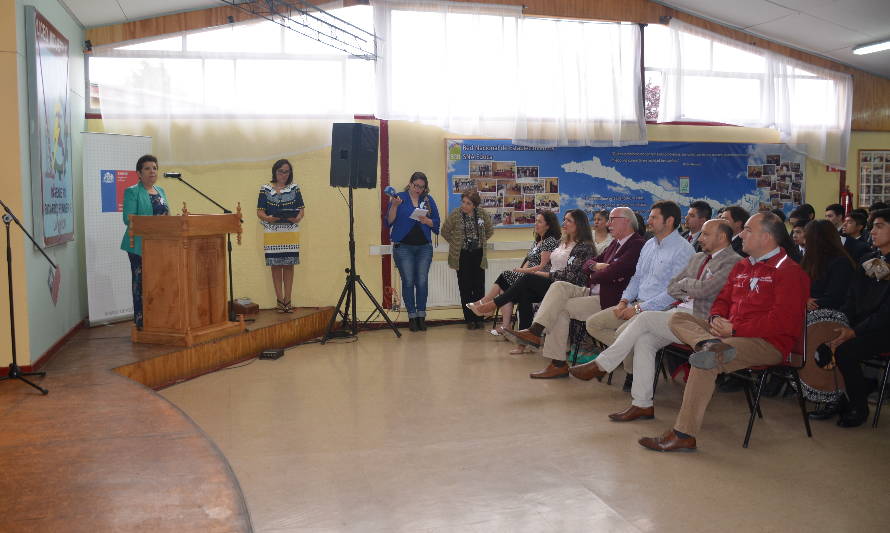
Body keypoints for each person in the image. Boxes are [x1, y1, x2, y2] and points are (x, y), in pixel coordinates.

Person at [639, 213, 809, 452]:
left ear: (766, 237)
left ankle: (684, 434)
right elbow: (722, 299)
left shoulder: (790, 272)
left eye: (748, 230)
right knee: (678, 317)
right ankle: (709, 342)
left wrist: (736, 328)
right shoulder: (743, 265)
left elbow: (782, 322)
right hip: (727, 333)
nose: (741, 235)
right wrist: (716, 317)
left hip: (765, 342)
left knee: (705, 360)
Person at [568, 219, 741, 420]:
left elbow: (706, 289)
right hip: (677, 313)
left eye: (706, 234)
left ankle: (602, 365)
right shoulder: (698, 257)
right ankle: (642, 404)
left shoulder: (733, 261)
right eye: (701, 234)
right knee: (644, 341)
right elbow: (672, 287)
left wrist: (684, 285)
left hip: (700, 320)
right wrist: (686, 285)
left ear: (722, 237)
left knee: (645, 318)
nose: (700, 238)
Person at [499, 207, 644, 378]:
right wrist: (596, 267)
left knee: (558, 304)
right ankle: (543, 343)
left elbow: (613, 272)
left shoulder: (637, 244)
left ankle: (552, 355)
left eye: (612, 219)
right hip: (594, 292)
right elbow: (588, 265)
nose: (608, 223)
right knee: (559, 288)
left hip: (611, 299)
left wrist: (595, 271)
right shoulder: (615, 244)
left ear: (626, 221)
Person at [584, 201, 695, 389]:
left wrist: (638, 309)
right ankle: (632, 366)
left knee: (623, 333)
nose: (648, 221)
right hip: (635, 303)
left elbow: (673, 294)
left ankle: (624, 370)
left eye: (654, 217)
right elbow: (636, 278)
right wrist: (624, 301)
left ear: (669, 221)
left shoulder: (683, 250)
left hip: (662, 310)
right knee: (594, 323)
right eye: (650, 217)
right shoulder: (650, 244)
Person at [467, 209, 595, 333]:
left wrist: (537, 273)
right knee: (524, 292)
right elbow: (543, 263)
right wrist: (528, 270)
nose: (564, 223)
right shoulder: (562, 242)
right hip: (553, 281)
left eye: (568, 221)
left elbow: (568, 275)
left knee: (525, 279)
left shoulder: (583, 247)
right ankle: (523, 340)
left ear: (578, 224)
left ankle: (492, 304)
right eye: (564, 220)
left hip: (564, 285)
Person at [828, 208, 890, 427]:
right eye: (872, 226)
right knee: (829, 336)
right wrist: (841, 320)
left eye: (880, 226)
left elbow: (886, 313)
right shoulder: (870, 259)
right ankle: (840, 397)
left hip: (884, 328)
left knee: (845, 350)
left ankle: (858, 407)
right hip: (862, 324)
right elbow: (852, 296)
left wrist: (854, 331)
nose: (873, 232)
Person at [796, 219, 857, 418]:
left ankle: (834, 396)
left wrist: (812, 302)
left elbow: (837, 296)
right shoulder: (810, 259)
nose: (803, 238)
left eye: (807, 235)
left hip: (833, 316)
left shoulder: (840, 262)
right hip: (812, 311)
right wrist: (803, 299)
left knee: (812, 333)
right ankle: (802, 381)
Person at [474, 211, 560, 339]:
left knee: (504, 276)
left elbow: (542, 266)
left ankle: (486, 303)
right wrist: (520, 270)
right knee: (504, 286)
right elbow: (529, 261)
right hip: (528, 276)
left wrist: (522, 271)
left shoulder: (550, 241)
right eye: (536, 220)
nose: (536, 224)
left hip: (539, 278)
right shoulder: (537, 241)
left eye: (539, 221)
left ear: (548, 225)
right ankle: (505, 325)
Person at [387, 171, 441, 332]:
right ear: (410, 183)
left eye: (422, 187)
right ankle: (412, 316)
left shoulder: (428, 200)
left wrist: (427, 220)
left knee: (422, 281)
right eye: (416, 185)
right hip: (403, 247)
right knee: (409, 281)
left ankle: (421, 316)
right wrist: (395, 205)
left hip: (424, 247)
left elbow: (437, 222)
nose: (418, 189)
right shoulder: (399, 198)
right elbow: (389, 221)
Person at [121, 154, 169, 329]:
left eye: (155, 168)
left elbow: (166, 215)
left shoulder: (161, 191)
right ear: (139, 173)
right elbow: (128, 218)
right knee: (141, 282)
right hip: (139, 245)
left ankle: (157, 316)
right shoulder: (132, 191)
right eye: (147, 168)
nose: (152, 171)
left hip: (160, 245)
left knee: (158, 281)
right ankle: (141, 320)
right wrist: (153, 223)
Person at [257, 159, 305, 313]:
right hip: (272, 232)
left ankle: (288, 301)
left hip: (290, 232)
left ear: (290, 173)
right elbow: (260, 212)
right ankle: (279, 301)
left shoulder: (295, 189)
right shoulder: (265, 189)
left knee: (289, 266)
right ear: (274, 172)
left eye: (286, 171)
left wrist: (297, 218)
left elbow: (301, 210)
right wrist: (268, 218)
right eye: (280, 171)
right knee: (276, 266)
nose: (283, 174)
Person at [441, 190, 494, 330]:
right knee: (465, 288)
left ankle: (479, 318)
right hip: (462, 255)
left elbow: (489, 231)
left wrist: (480, 241)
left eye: (468, 203)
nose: (464, 205)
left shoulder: (482, 214)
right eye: (463, 202)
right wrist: (456, 242)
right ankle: (469, 319)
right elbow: (444, 231)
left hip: (478, 254)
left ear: (475, 205)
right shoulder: (455, 214)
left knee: (479, 287)